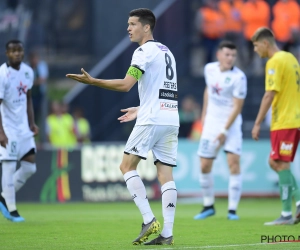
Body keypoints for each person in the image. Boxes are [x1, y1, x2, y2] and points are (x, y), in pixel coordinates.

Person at [66, 8, 178, 246]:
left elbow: (126, 85)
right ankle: (167, 234)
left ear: (146, 27)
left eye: (133, 24)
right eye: (128, 24)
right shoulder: (166, 52)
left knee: (126, 166)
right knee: (165, 174)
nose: (128, 28)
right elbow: (162, 90)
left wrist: (93, 81)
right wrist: (140, 107)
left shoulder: (142, 52)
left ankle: (149, 219)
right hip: (170, 119)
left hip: (152, 120)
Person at [251, 27, 300, 225]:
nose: (254, 50)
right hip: (292, 119)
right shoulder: (291, 58)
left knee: (281, 163)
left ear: (265, 43)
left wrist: (256, 123)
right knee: (276, 163)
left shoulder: (275, 61)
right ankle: (297, 207)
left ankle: (287, 214)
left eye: (255, 46)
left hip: (285, 121)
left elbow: (269, 94)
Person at [194, 41, 247, 221]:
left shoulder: (239, 78)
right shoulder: (209, 69)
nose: (230, 58)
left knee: (233, 163)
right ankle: (208, 205)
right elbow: (208, 90)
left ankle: (232, 210)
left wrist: (225, 130)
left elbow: (237, 107)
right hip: (211, 123)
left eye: (233, 55)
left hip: (230, 125)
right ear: (218, 55)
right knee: (204, 165)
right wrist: (203, 117)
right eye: (227, 54)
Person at [0, 40, 38, 222]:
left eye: (20, 50)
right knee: (8, 166)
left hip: (23, 127)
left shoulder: (28, 71)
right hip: (8, 128)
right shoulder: (2, 74)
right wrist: (0, 132)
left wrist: (32, 123)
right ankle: (11, 208)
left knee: (30, 166)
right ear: (7, 53)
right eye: (13, 51)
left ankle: (3, 195)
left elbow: (28, 99)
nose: (17, 54)